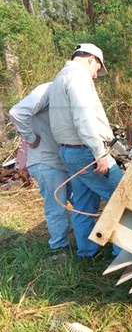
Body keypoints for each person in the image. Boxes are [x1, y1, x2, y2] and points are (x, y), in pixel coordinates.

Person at [46, 43, 122, 258]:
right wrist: (100, 153)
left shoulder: (60, 77)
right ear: (91, 59)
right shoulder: (79, 77)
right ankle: (123, 254)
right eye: (98, 68)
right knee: (121, 199)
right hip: (86, 151)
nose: (96, 75)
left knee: (82, 203)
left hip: (70, 152)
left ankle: (87, 253)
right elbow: (84, 118)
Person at [9, 82, 71, 251]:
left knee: (79, 200)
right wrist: (30, 137)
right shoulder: (47, 90)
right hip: (46, 160)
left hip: (60, 160)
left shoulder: (67, 92)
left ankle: (83, 241)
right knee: (56, 206)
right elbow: (16, 112)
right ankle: (58, 247)